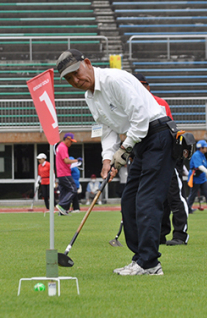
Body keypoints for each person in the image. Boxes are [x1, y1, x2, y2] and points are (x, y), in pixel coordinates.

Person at [57, 49, 175, 276]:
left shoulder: (115, 80)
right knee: (129, 202)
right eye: (69, 79)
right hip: (140, 142)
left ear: (88, 63)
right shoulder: (89, 97)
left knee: (147, 201)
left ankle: (150, 263)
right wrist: (107, 159)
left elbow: (140, 120)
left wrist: (123, 150)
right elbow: (107, 128)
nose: (75, 80)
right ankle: (141, 258)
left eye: (76, 73)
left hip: (157, 135)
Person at [133, 73, 190, 246]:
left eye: (143, 85)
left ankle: (180, 234)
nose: (140, 89)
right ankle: (159, 235)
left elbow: (167, 130)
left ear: (148, 87)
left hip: (166, 154)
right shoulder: (131, 104)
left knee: (174, 196)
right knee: (157, 197)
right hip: (145, 155)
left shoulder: (159, 103)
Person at [55, 132, 79, 216]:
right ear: (67, 139)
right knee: (73, 189)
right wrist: (76, 161)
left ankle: (62, 211)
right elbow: (66, 160)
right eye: (71, 141)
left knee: (64, 192)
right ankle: (61, 205)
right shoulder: (63, 147)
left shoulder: (60, 147)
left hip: (60, 173)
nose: (71, 143)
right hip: (64, 173)